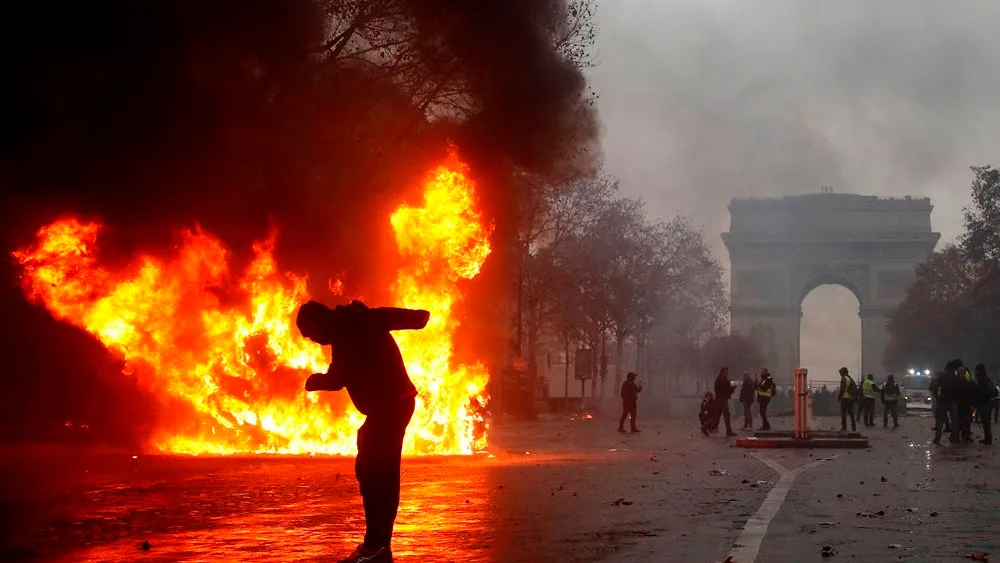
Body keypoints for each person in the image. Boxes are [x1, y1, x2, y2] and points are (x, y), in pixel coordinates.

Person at [296, 299, 430, 563]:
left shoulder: (352, 324)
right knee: (371, 469)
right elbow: (341, 374)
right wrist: (415, 318)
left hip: (391, 405)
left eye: (311, 335)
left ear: (319, 323)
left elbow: (338, 377)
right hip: (389, 406)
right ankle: (376, 545)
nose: (314, 341)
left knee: (379, 475)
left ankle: (377, 547)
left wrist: (316, 381)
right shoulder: (349, 327)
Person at [973, 364, 997, 446]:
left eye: (976, 370)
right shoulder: (986, 379)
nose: (975, 372)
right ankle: (987, 438)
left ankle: (988, 439)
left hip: (984, 403)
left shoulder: (982, 380)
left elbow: (981, 392)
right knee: (986, 422)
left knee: (986, 422)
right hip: (987, 403)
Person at [713, 367, 738, 437]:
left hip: (721, 399)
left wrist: (732, 386)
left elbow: (727, 386)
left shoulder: (723, 379)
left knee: (717, 415)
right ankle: (728, 431)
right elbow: (725, 389)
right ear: (722, 372)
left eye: (727, 372)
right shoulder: (720, 380)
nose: (727, 374)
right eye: (726, 372)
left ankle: (710, 427)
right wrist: (732, 388)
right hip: (722, 400)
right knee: (726, 415)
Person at [837, 367, 858, 433]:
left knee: (843, 414)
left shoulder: (844, 379)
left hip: (845, 398)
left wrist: (839, 397)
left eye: (840, 372)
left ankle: (844, 428)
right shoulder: (850, 378)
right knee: (851, 414)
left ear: (843, 372)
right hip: (850, 398)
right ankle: (854, 428)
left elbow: (842, 389)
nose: (840, 374)